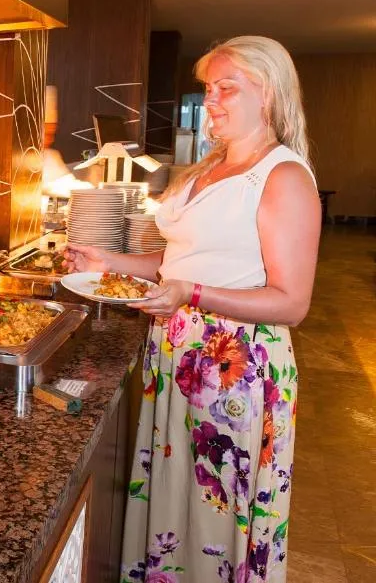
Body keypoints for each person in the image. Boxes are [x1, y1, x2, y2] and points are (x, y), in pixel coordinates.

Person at [65, 36, 320, 582]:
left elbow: (291, 301)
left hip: (235, 370)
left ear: (269, 93)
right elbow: (181, 259)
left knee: (215, 515)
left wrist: (193, 294)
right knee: (176, 494)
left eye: (227, 88)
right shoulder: (212, 166)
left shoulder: (283, 177)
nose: (212, 101)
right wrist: (109, 260)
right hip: (180, 353)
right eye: (208, 89)